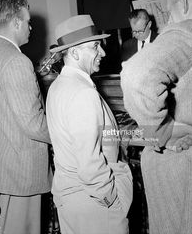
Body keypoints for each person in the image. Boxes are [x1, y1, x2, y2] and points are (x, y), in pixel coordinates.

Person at [120, 0, 192, 234]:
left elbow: (136, 76)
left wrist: (162, 129)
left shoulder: (188, 31)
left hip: (186, 165)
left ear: (182, 2)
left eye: (169, 10)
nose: (170, 18)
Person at [46, 14, 133, 234]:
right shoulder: (83, 93)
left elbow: (102, 135)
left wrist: (159, 135)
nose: (102, 52)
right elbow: (89, 163)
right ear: (74, 52)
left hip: (71, 199)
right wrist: (111, 199)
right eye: (95, 46)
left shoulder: (58, 87)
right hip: (94, 204)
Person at [0, 0, 52, 234]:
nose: (31, 27)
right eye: (29, 21)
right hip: (20, 171)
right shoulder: (17, 61)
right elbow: (33, 125)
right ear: (17, 23)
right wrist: (65, 135)